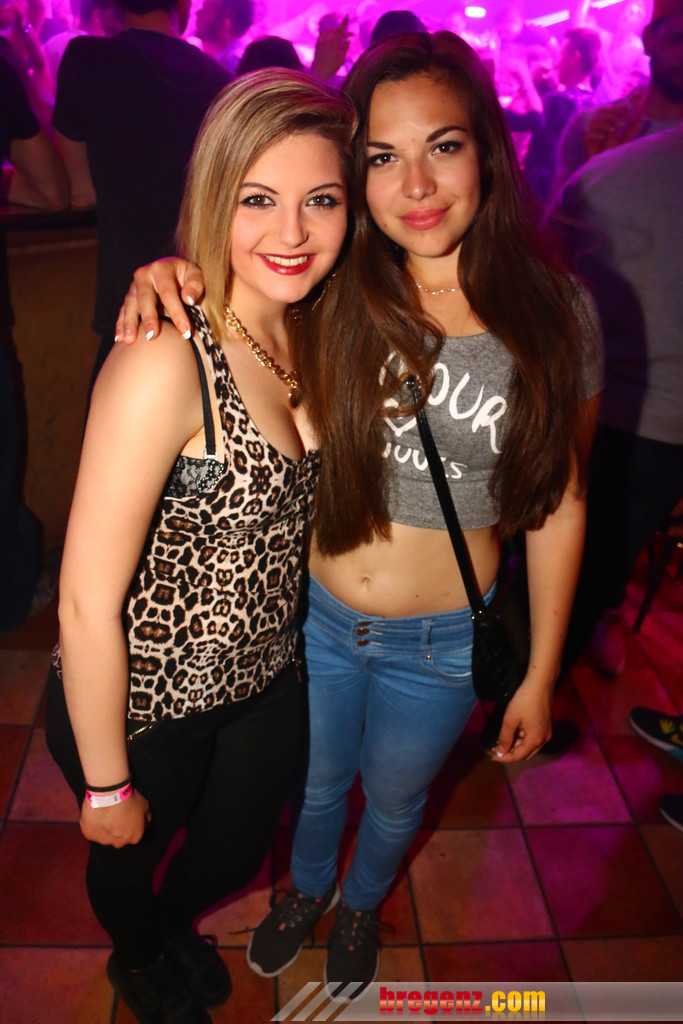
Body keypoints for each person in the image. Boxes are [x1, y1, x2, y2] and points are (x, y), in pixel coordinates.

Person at [115, 31, 603, 1000]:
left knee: (394, 798)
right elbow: (240, 287)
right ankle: (304, 890)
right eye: (381, 156)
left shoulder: (553, 313)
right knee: (315, 783)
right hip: (318, 621)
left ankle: (360, 904)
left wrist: (540, 672)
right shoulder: (336, 289)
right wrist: (167, 271)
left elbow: (559, 502)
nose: (415, 184)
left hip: (443, 640)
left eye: (443, 146)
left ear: (488, 149)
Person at [44, 70, 355, 1024]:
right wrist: (107, 784)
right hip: (144, 696)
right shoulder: (166, 354)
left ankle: (170, 927)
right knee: (124, 854)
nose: (291, 231)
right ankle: (138, 958)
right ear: (216, 195)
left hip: (264, 676)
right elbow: (84, 603)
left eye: (321, 200)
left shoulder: (315, 328)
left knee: (230, 855)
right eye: (258, 199)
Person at [556, 127, 683, 675]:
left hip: (651, 421)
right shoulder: (611, 165)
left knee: (578, 558)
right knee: (585, 563)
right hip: (604, 405)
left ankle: (530, 681)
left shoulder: (610, 169)